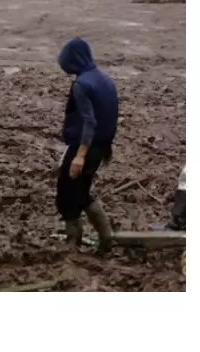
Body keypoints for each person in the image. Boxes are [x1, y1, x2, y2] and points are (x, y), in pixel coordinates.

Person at [56, 37, 117, 253]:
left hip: (84, 147)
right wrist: (107, 147)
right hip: (99, 148)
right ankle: (106, 237)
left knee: (66, 193)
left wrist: (79, 156)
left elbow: (90, 121)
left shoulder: (81, 85)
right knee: (82, 191)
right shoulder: (106, 80)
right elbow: (110, 116)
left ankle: (74, 242)